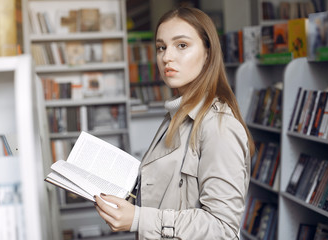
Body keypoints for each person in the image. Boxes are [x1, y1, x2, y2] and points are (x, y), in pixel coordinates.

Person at [94, 7, 254, 239]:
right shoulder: (175, 115)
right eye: (161, 47)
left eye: (182, 45)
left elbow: (222, 228)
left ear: (208, 53)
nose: (167, 57)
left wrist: (138, 218)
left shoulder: (220, 127)